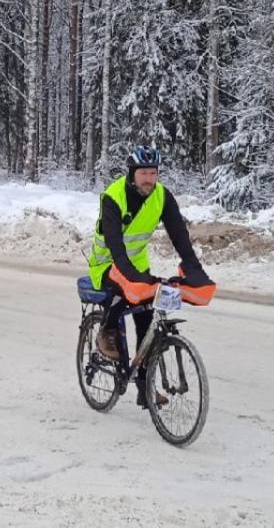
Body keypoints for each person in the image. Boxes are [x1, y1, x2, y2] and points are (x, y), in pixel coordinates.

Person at [87, 146, 214, 407]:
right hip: (107, 263)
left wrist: (193, 269)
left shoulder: (161, 196)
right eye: (143, 173)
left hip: (136, 266)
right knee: (123, 296)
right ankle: (106, 332)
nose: (148, 178)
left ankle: (145, 388)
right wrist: (131, 276)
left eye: (153, 173)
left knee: (147, 314)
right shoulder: (114, 197)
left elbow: (180, 236)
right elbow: (115, 244)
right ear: (132, 174)